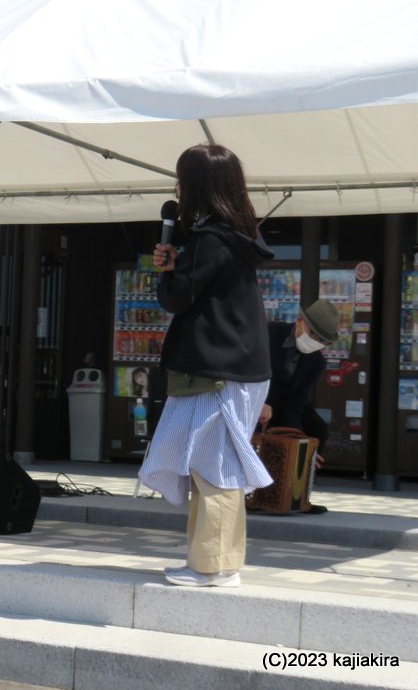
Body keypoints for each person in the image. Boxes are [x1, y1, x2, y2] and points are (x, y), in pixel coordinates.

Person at [138, 144, 274, 588]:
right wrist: (179, 262)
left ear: (197, 186)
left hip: (218, 372)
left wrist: (169, 271)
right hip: (237, 369)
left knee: (213, 469)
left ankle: (211, 567)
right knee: (217, 468)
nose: (176, 188)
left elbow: (176, 298)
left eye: (181, 179)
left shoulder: (211, 238)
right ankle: (219, 563)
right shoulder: (235, 236)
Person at [258, 298, 340, 514]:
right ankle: (259, 494)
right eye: (314, 335)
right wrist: (259, 402)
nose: (316, 343)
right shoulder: (268, 334)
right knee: (259, 433)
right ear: (299, 321)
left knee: (316, 430)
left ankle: (299, 493)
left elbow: (298, 400)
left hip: (288, 401)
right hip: (257, 395)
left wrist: (299, 442)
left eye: (323, 341)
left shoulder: (316, 361)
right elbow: (250, 369)